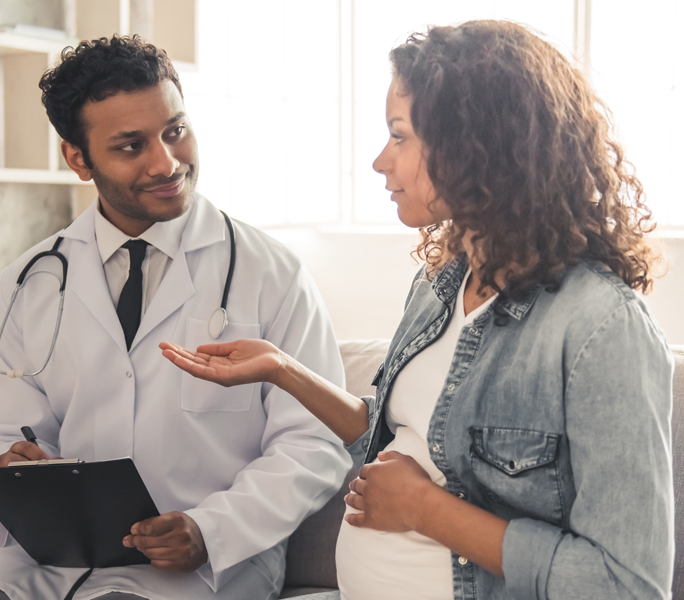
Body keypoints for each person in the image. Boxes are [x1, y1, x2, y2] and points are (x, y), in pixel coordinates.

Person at [161, 20, 675, 600]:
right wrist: (282, 369)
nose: (381, 161)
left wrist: (423, 509)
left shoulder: (599, 328)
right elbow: (391, 435)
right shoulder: (441, 283)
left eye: (399, 136)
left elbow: (626, 585)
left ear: (476, 146)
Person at [0, 35, 350, 600]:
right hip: (49, 555)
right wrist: (14, 465)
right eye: (131, 146)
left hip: (208, 560)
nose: (166, 162)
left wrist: (211, 529)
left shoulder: (271, 273)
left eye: (175, 131)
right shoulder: (28, 281)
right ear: (77, 157)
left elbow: (315, 443)